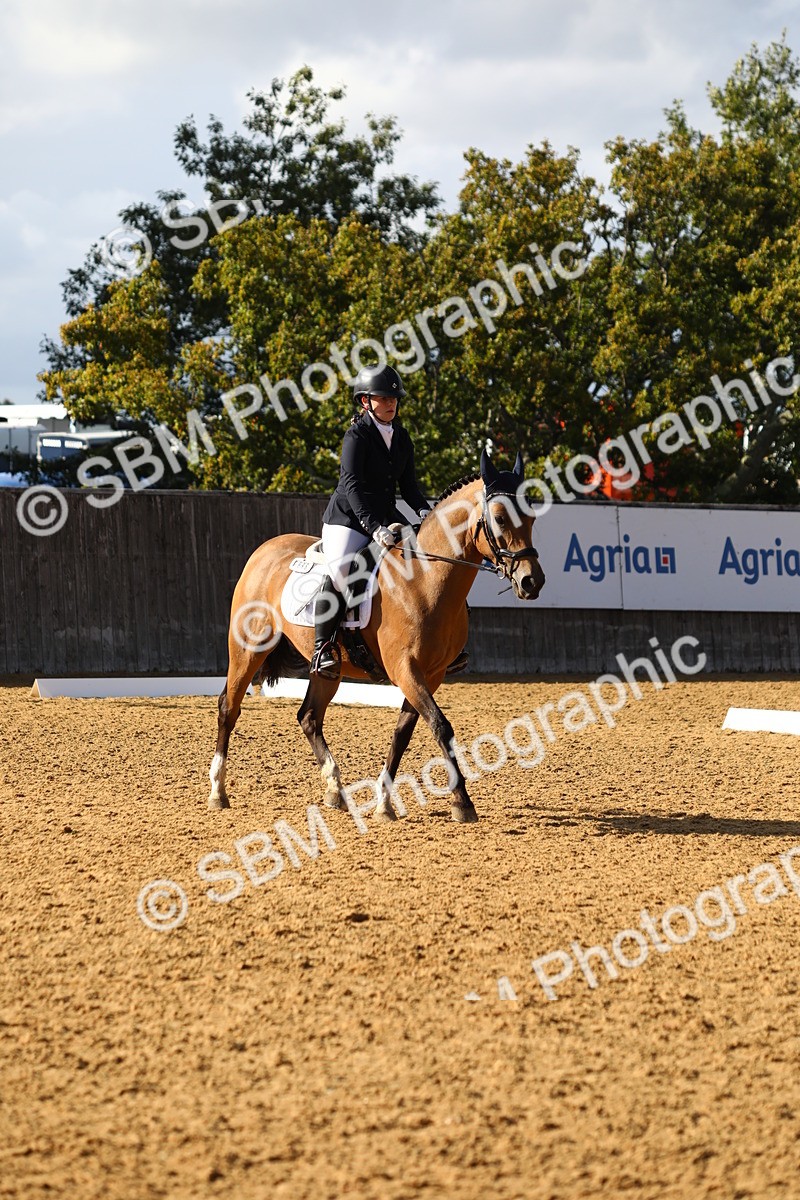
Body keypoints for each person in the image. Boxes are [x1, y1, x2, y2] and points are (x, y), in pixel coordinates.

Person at [311, 363, 433, 679]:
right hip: (348, 519)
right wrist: (374, 527)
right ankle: (322, 646)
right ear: (366, 401)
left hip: (385, 515)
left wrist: (425, 514)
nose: (391, 403)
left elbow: (409, 488)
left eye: (394, 398)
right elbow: (352, 486)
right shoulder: (357, 436)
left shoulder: (402, 438)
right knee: (340, 571)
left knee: (424, 561)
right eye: (383, 397)